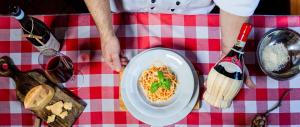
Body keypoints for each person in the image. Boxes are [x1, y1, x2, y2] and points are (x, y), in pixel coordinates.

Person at [84, 0, 260, 87]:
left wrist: (230, 52)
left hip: (193, 11)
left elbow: (238, 2)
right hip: (123, 7)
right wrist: (106, 34)